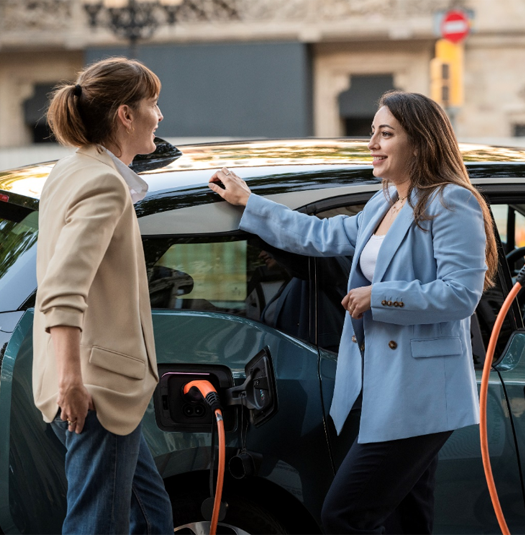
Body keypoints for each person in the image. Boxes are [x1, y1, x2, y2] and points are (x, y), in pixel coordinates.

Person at [208, 90, 498, 535]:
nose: (373, 144)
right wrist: (250, 202)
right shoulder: (382, 202)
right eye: (372, 133)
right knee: (407, 519)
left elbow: (461, 294)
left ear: (419, 142)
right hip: (379, 386)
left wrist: (378, 297)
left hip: (421, 394)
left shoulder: (451, 203)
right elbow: (318, 235)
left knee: (345, 515)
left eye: (386, 134)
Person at [33, 57, 173, 535]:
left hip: (85, 386)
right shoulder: (104, 183)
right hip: (95, 393)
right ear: (125, 115)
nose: (159, 115)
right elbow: (63, 285)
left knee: (153, 517)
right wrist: (73, 381)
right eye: (153, 104)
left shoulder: (71, 168)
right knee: (98, 526)